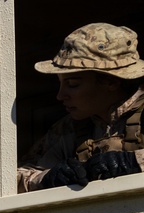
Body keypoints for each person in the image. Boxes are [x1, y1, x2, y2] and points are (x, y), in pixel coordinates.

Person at [18, 23, 144, 193]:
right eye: (61, 83)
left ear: (111, 82)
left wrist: (135, 162)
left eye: (73, 84)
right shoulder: (68, 128)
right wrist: (47, 178)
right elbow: (9, 179)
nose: (60, 96)